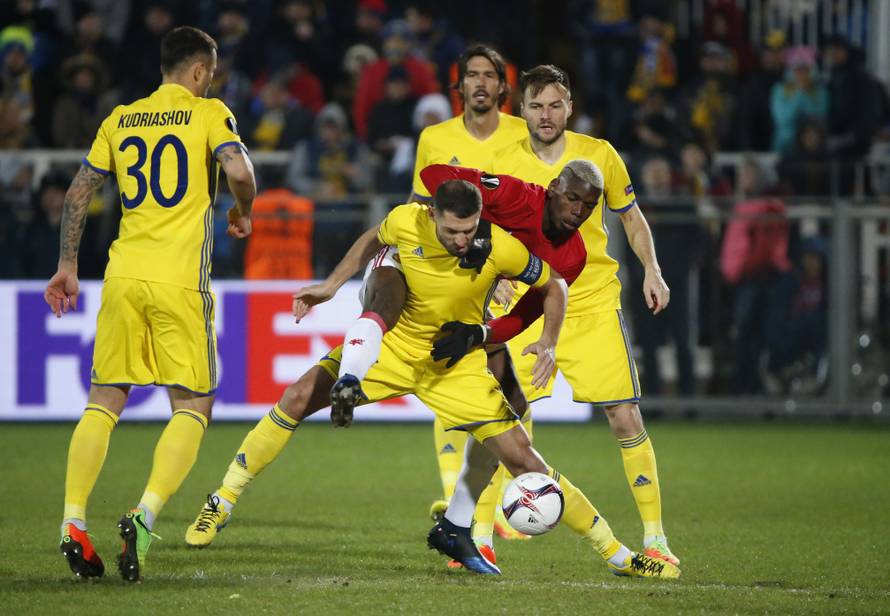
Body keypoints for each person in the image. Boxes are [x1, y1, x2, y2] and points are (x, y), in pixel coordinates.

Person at [185, 179, 680, 580]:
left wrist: (548, 342)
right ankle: (221, 501)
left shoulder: (499, 247)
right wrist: (331, 285)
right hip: (395, 349)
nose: (461, 240)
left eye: (468, 230)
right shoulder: (407, 222)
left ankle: (618, 556)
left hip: (455, 366)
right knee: (296, 397)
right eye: (452, 231)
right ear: (432, 217)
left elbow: (554, 288)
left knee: (527, 462)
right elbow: (372, 239)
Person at [45, 26, 256, 582]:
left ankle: (72, 520)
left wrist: (68, 266)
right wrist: (241, 212)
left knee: (104, 399)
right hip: (179, 281)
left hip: (122, 276)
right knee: (192, 404)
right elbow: (238, 171)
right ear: (198, 72)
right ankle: (144, 515)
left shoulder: (120, 118)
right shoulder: (209, 113)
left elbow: (77, 193)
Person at [489, 64, 678, 566]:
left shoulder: (599, 155)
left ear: (568, 106)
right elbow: (487, 231)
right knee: (501, 418)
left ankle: (656, 539)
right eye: (536, 106)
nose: (545, 115)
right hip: (529, 308)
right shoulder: (504, 160)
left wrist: (652, 270)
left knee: (623, 415)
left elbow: (631, 218)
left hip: (591, 301)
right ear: (521, 109)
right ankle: (482, 531)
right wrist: (498, 276)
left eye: (554, 105)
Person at [406, 44, 529, 540]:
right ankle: (459, 502)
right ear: (460, 86)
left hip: (513, 283)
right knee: (454, 391)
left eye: (489, 75)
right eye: (470, 75)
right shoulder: (435, 138)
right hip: (457, 284)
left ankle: (493, 506)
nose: (479, 83)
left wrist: (512, 271)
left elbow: (530, 210)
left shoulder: (525, 135)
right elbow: (419, 210)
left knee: (513, 402)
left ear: (503, 86)